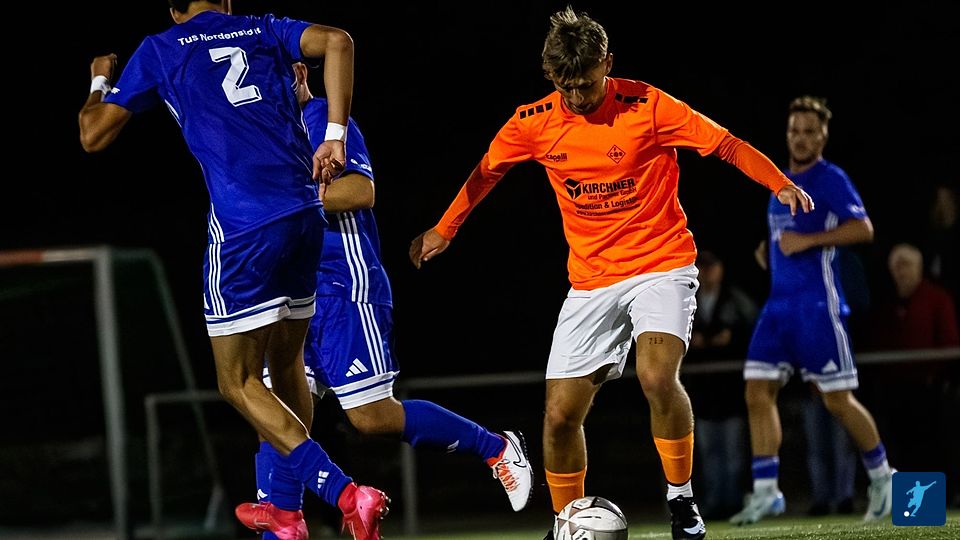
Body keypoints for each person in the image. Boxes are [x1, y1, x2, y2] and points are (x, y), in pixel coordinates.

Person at [408, 7, 813, 539]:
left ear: (608, 63)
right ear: (551, 77)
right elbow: (487, 171)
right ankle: (566, 524)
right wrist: (445, 229)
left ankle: (682, 502)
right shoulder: (533, 122)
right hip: (591, 281)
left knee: (656, 377)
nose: (577, 97)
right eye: (566, 87)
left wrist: (779, 182)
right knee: (558, 416)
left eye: (586, 83)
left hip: (661, 264)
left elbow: (726, 144)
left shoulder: (649, 105)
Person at [77, 2, 389, 539]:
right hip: (305, 216)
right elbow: (339, 41)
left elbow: (92, 134)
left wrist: (100, 81)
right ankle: (286, 512)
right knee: (286, 365)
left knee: (237, 381)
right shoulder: (262, 28)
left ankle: (345, 493)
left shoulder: (161, 48)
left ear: (174, 10)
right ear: (225, 1)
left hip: (244, 227)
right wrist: (334, 135)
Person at [249, 63, 533, 540]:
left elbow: (361, 190)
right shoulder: (263, 134)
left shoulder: (322, 118)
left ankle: (496, 448)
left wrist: (285, 198)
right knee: (273, 413)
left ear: (297, 73)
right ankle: (280, 529)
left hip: (344, 285)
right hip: (291, 290)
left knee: (371, 416)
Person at [729, 95, 895, 526]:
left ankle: (885, 478)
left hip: (817, 308)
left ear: (823, 136)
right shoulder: (779, 181)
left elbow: (863, 228)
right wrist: (769, 252)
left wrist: (807, 242)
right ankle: (767, 491)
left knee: (837, 399)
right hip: (778, 308)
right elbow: (785, 236)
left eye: (809, 132)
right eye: (794, 131)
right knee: (756, 389)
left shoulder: (830, 178)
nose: (800, 139)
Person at [685, 250, 757, 519]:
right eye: (701, 267)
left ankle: (734, 501)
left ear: (721, 269)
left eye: (711, 266)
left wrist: (731, 338)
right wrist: (693, 341)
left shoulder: (734, 299)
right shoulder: (688, 301)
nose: (706, 272)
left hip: (731, 389)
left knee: (733, 450)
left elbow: (753, 328)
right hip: (702, 391)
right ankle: (715, 503)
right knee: (708, 452)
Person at [869, 243, 959, 350]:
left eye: (906, 264)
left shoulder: (939, 299)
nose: (902, 271)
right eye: (897, 266)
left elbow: (949, 342)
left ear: (919, 267)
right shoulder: (886, 304)